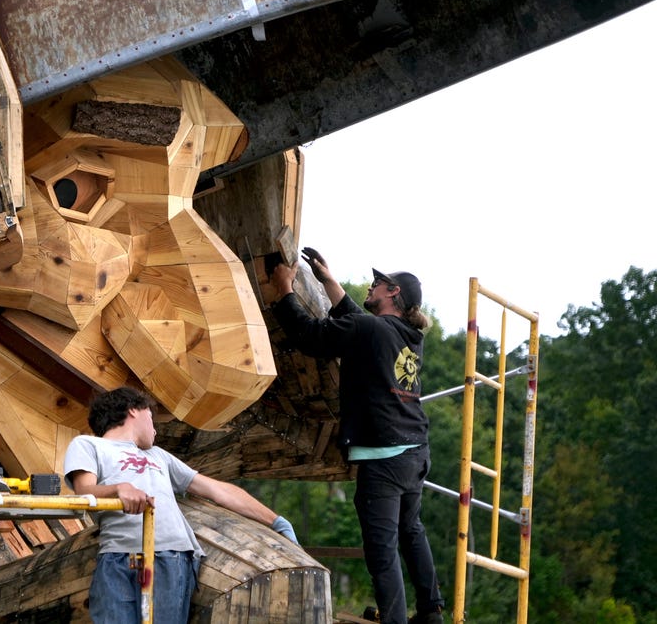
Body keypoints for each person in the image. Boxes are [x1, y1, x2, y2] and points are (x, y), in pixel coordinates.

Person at [270, 248, 444, 624]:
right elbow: (361, 323)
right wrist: (329, 282)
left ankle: (394, 620)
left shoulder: (373, 329)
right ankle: (431, 611)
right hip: (415, 450)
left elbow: (311, 337)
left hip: (385, 458)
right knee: (410, 531)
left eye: (378, 283)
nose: (371, 284)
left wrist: (284, 292)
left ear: (393, 292)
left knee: (381, 548)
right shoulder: (409, 335)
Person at [63, 386, 299, 624]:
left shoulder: (158, 456)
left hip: (169, 557)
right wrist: (118, 488)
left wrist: (275, 521)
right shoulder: (88, 444)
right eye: (152, 418)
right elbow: (84, 492)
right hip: (116, 557)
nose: (155, 430)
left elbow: (217, 490)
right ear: (133, 410)